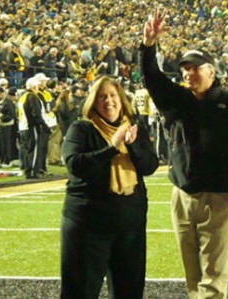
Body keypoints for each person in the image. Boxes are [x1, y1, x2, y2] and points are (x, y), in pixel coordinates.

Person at [140, 8, 228, 299]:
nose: (188, 73)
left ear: (211, 71)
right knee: (192, 274)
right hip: (182, 195)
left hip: (219, 197)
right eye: (185, 68)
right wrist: (148, 46)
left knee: (213, 275)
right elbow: (152, 78)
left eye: (195, 67)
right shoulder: (177, 99)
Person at [60, 76, 158, 299]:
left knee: (129, 292)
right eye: (102, 96)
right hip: (88, 226)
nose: (109, 101)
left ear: (122, 100)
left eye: (113, 95)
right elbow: (75, 165)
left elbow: (149, 166)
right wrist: (112, 148)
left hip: (130, 227)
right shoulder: (81, 129)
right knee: (80, 292)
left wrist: (131, 146)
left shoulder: (135, 129)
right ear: (93, 102)